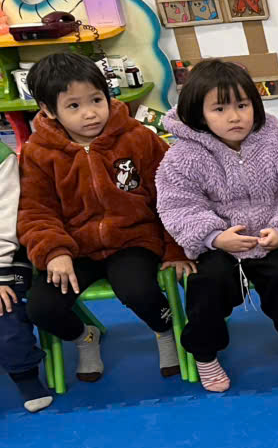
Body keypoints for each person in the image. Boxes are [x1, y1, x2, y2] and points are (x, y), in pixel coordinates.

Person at [18, 53, 194, 383]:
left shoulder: (138, 137)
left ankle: (164, 329)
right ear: (48, 110)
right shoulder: (38, 153)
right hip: (74, 248)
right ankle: (86, 337)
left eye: (96, 100)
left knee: (138, 290)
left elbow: (173, 196)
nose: (89, 113)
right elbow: (35, 210)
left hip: (133, 240)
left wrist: (175, 248)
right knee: (41, 307)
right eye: (73, 106)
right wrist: (54, 251)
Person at [156, 60, 278, 392]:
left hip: (273, 238)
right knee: (206, 286)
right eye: (220, 109)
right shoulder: (183, 156)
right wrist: (215, 237)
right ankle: (205, 355)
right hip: (220, 245)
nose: (234, 117)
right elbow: (179, 205)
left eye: (242, 105)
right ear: (199, 113)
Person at [0, 142, 51, 412]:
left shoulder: (2, 158)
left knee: (6, 311)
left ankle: (25, 375)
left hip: (6, 254)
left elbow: (6, 218)